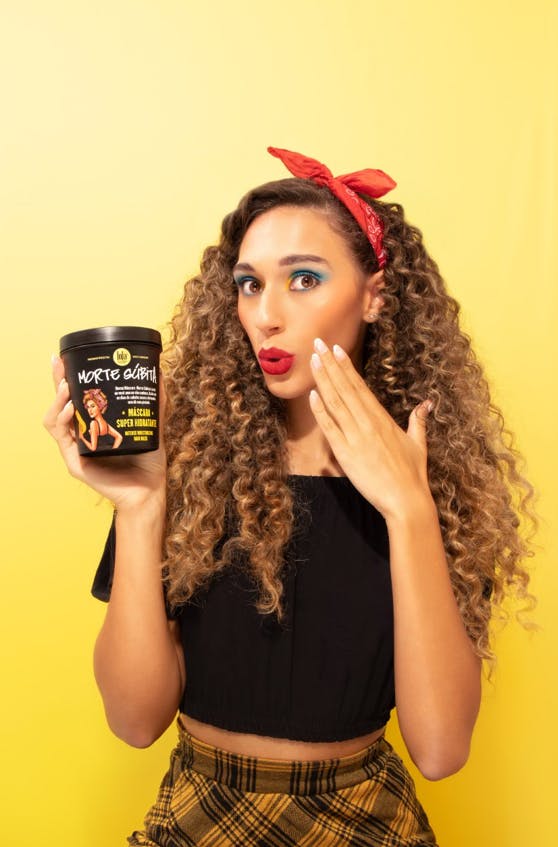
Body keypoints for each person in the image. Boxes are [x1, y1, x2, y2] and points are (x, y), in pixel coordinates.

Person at [44, 147, 536, 846]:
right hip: (196, 818)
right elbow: (134, 720)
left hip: (366, 824)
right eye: (249, 285)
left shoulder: (433, 485)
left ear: (374, 295)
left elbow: (440, 750)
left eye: (304, 279)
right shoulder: (190, 468)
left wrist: (409, 510)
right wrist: (140, 506)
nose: (266, 315)